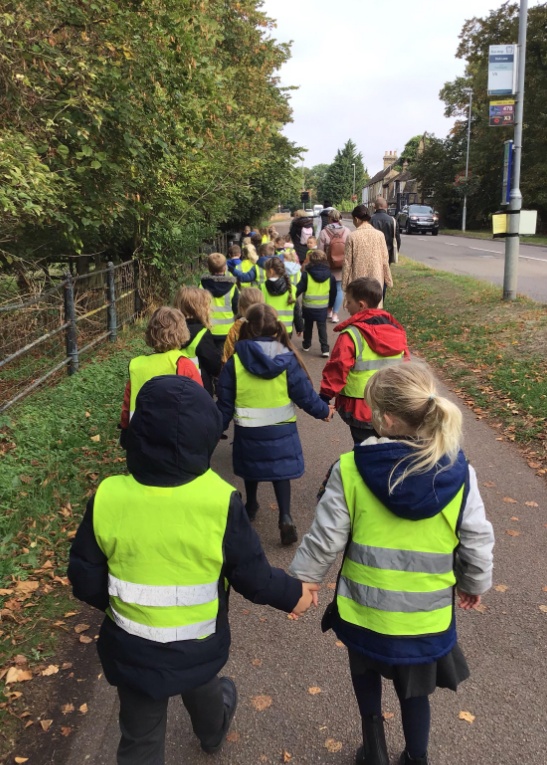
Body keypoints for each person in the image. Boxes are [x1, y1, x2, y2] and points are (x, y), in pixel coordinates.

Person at [69, 375, 319, 764]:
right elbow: (251, 575)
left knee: (139, 739)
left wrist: (118, 603)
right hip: (198, 642)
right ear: (205, 435)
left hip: (132, 646)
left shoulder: (108, 496)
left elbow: (84, 579)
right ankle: (213, 732)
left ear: (135, 434)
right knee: (203, 686)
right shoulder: (218, 500)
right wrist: (293, 594)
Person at [289, 361, 494, 765]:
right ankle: (416, 756)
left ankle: (374, 749)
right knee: (415, 694)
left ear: (383, 419)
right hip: (424, 619)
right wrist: (474, 583)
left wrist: (303, 580)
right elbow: (476, 538)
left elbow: (325, 538)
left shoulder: (351, 469)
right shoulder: (459, 473)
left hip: (364, 612)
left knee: (364, 676)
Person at [216, 303, 333, 545]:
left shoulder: (235, 363)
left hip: (249, 432)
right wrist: (323, 411)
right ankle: (286, 515)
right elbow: (304, 395)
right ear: (276, 328)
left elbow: (224, 405)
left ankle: (251, 505)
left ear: (247, 328)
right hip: (282, 431)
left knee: (251, 469)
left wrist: (213, 429)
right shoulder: (287, 360)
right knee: (281, 473)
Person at [320, 277, 409, 444]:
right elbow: (406, 367)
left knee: (364, 450)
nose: (346, 306)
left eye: (349, 302)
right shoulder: (397, 331)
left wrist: (324, 397)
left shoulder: (352, 335)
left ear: (361, 305)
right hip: (390, 409)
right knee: (388, 449)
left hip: (359, 409)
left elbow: (337, 369)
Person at [118, 307, 202, 442]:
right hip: (176, 437)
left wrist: (124, 428)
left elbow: (127, 405)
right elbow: (200, 403)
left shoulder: (137, 365)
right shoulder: (184, 365)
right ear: (182, 332)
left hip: (142, 435)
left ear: (150, 333)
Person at [173, 286, 222, 397]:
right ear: (201, 309)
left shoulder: (171, 332)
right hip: (200, 390)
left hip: (173, 386)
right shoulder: (202, 334)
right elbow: (215, 366)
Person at [342, 205, 392, 307]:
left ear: (356, 219)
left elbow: (347, 262)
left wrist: (344, 284)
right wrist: (388, 279)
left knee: (360, 306)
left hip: (358, 280)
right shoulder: (380, 235)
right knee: (374, 307)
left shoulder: (352, 236)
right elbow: (385, 259)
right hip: (376, 279)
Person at [296, 249, 336, 358]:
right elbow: (333, 293)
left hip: (308, 306)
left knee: (308, 326)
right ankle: (325, 349)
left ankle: (306, 344)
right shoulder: (330, 276)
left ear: (311, 260)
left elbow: (298, 289)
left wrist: (292, 297)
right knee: (322, 327)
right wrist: (330, 306)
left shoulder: (306, 275)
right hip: (322, 307)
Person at [200, 253, 239, 352]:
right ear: (225, 267)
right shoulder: (232, 286)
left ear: (209, 268)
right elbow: (237, 307)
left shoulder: (202, 285)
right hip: (227, 329)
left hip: (208, 329)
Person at [318, 208, 350, 323]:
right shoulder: (347, 231)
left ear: (329, 219)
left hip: (328, 265)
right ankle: (335, 315)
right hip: (341, 265)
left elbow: (320, 252)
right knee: (339, 289)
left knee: (328, 289)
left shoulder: (324, 232)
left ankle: (329, 310)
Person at [261, 256, 303, 336]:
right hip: (286, 329)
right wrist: (300, 327)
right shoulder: (292, 288)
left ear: (270, 271)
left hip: (268, 329)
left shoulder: (262, 288)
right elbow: (296, 309)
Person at [221, 287, 264, 364]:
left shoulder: (235, 329)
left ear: (241, 309)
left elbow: (227, 355)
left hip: (239, 368)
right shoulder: (269, 326)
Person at [371, 197, 401, 265]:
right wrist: (395, 252)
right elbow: (397, 239)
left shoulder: (370, 220)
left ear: (375, 207)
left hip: (373, 252)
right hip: (388, 252)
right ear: (386, 206)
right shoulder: (393, 220)